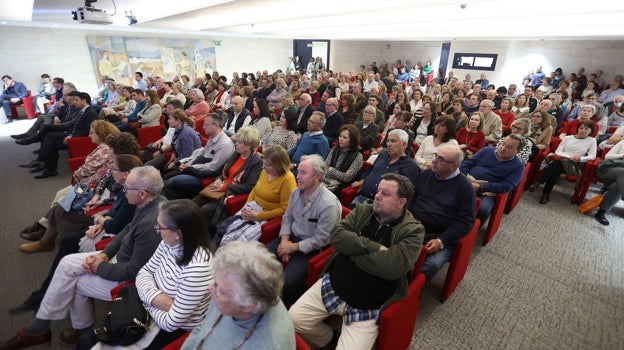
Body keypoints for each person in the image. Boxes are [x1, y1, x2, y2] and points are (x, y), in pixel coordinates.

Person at [0, 166, 166, 349]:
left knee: (75, 282)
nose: (123, 191)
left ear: (142, 193)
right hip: (119, 259)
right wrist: (104, 254)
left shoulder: (153, 224)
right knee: (66, 263)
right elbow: (127, 230)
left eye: (127, 188)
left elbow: (135, 270)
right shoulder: (151, 203)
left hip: (131, 280)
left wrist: (99, 267)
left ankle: (69, 332)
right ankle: (48, 331)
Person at [289, 173, 425, 350]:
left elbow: (392, 268)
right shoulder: (364, 210)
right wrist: (373, 247)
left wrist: (350, 251)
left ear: (401, 202)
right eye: (378, 190)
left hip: (368, 305)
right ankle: (329, 339)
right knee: (293, 320)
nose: (377, 195)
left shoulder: (413, 231)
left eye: (385, 193)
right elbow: (336, 236)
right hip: (334, 286)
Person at [9, 154, 142, 316]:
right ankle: (45, 289)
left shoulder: (130, 193)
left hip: (109, 231)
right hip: (101, 214)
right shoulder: (125, 188)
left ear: (126, 174)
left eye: (114, 169)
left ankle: (45, 294)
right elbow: (114, 206)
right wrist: (102, 211)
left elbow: (119, 223)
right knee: (60, 212)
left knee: (67, 240)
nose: (111, 172)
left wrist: (101, 219)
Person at [126, 199, 215, 348]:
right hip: (156, 312)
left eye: (160, 227)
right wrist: (156, 299)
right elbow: (144, 272)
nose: (156, 229)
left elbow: (171, 323)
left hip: (175, 330)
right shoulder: (169, 243)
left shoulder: (198, 268)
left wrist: (146, 300)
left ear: (178, 233)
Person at [181, 241, 295, 350]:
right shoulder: (231, 288)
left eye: (220, 289)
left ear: (247, 306)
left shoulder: (268, 345)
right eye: (215, 281)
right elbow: (203, 328)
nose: (210, 288)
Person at [267, 155, 341, 307]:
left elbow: (322, 239)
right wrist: (284, 241)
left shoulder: (328, 204)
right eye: (298, 171)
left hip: (312, 248)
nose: (297, 176)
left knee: (287, 282)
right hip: (291, 237)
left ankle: (286, 310)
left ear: (317, 177)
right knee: (259, 259)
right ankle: (262, 298)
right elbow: (287, 218)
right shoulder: (296, 193)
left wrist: (293, 247)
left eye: (303, 173)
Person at [410, 146, 475, 281]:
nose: (433, 161)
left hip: (439, 235)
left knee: (433, 264)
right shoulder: (426, 174)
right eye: (435, 156)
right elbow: (411, 199)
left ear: (453, 166)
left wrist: (442, 241)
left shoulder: (465, 188)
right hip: (412, 226)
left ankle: (411, 290)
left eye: (440, 159)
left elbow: (465, 222)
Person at [216, 145, 296, 246]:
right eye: (263, 163)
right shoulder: (265, 172)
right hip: (252, 207)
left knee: (236, 241)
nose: (263, 167)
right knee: (224, 228)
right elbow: (254, 189)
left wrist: (257, 216)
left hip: (266, 215)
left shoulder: (287, 179)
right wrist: (247, 205)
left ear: (279, 166)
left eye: (267, 165)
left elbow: (285, 209)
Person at [193, 127, 263, 232]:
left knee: (203, 211)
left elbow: (249, 187)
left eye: (239, 142)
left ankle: (201, 236)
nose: (236, 144)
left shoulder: (256, 162)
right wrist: (219, 180)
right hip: (219, 187)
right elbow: (225, 172)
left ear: (248, 146)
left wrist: (224, 187)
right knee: (194, 203)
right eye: (237, 141)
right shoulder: (237, 153)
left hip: (230, 193)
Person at [162, 111, 234, 199]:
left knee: (173, 180)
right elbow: (202, 154)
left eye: (206, 125)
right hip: (198, 169)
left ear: (216, 126)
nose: (203, 127)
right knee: (170, 177)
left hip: (207, 176)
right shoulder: (212, 137)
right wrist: (188, 164)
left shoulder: (224, 144)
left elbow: (212, 168)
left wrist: (191, 167)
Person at [460, 134, 525, 225]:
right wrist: (463, 177)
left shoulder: (518, 166)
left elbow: (507, 186)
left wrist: (480, 187)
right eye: (503, 144)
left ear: (517, 151)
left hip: (487, 192)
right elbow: (467, 164)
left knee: (483, 209)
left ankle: (471, 230)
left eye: (509, 147)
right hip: (467, 181)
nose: (503, 148)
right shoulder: (487, 150)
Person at [533, 121, 597, 204]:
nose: (583, 130)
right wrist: (567, 157)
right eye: (581, 128)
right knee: (557, 167)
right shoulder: (568, 138)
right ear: (577, 129)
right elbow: (558, 151)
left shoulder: (591, 140)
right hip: (562, 158)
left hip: (575, 162)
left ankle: (540, 182)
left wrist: (580, 158)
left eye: (586, 129)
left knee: (555, 166)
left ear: (591, 131)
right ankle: (545, 194)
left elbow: (592, 156)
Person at [350, 129, 420, 205]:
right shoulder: (383, 155)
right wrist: (362, 181)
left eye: (393, 141)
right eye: (388, 141)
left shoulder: (411, 166)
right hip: (362, 197)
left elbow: (406, 194)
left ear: (403, 144)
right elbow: (371, 169)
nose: (389, 144)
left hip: (383, 205)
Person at [324, 125, 364, 193]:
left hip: (339, 187)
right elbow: (325, 167)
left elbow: (346, 178)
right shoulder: (335, 149)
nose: (341, 139)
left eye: (345, 137)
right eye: (340, 136)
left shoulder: (358, 156)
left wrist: (332, 170)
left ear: (352, 141)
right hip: (326, 180)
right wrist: (338, 174)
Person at [594, 140, 624, 225]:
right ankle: (601, 212)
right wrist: (622, 156)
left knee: (618, 184)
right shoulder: (622, 142)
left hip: (621, 179)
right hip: (609, 170)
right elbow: (607, 156)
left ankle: (601, 212)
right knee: (622, 173)